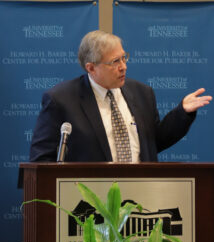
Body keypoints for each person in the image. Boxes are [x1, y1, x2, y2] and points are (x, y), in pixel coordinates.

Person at [29, 30, 212, 163]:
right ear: (91, 68)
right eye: (115, 62)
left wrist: (182, 113)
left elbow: (154, 142)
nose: (123, 66)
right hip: (91, 199)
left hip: (141, 193)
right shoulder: (61, 100)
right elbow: (42, 158)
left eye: (124, 58)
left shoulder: (142, 93)